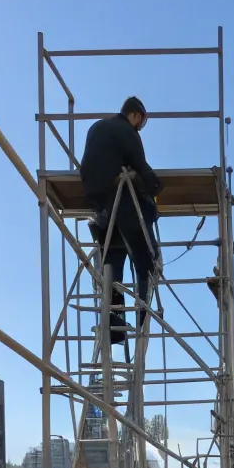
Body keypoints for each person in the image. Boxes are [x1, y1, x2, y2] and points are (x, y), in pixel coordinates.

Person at [80, 95, 161, 342]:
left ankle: (113, 323)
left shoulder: (97, 127)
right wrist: (156, 187)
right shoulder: (127, 131)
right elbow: (141, 165)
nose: (139, 129)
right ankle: (142, 313)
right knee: (145, 256)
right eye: (141, 123)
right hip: (120, 198)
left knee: (111, 263)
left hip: (98, 204)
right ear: (135, 115)